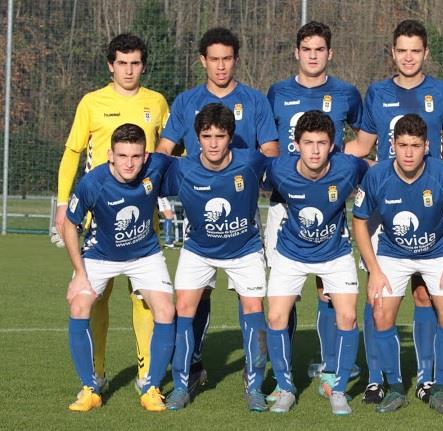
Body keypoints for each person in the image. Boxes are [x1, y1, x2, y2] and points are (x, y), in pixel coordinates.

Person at [345, 19, 443, 405]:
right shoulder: (377, 92)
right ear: (393, 53)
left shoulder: (442, 91)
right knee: (377, 296)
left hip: (429, 203)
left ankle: (431, 379)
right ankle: (379, 378)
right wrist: (320, 160)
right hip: (385, 204)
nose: (409, 57)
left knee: (428, 298)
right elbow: (363, 145)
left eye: (416, 50)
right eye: (402, 50)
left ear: (425, 53)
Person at [157, 27, 279, 394]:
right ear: (203, 61)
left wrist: (246, 177)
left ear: (236, 60)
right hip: (199, 215)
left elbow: (270, 154)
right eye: (214, 59)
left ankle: (252, 373)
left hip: (242, 214)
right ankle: (192, 368)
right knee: (197, 294)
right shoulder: (186, 101)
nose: (221, 66)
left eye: (227, 59)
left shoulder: (255, 101)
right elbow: (164, 151)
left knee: (250, 295)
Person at [54, 33, 169, 393]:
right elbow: (73, 152)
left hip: (142, 214)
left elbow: (165, 155)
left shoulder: (157, 102)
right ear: (110, 65)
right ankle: (97, 375)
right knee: (95, 295)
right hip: (95, 216)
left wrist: (164, 198)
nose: (129, 70)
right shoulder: (92, 102)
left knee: (145, 297)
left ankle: (146, 375)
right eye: (122, 63)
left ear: (144, 65)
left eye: (135, 63)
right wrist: (62, 204)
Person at [266, 20, 363, 390]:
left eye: (319, 50)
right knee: (282, 293)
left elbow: (363, 139)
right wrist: (283, 172)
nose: (312, 56)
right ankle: (283, 372)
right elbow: (267, 141)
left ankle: (331, 364)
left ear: (329, 54)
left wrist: (341, 168)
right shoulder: (276, 91)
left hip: (330, 204)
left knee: (330, 288)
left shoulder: (346, 93)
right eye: (306, 49)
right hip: (284, 201)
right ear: (296, 53)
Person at [353, 114, 443, 414]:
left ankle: (439, 388)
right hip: (392, 252)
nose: (408, 152)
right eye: (402, 145)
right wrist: (375, 270)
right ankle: (394, 388)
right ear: (392, 145)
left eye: (415, 145)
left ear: (427, 146)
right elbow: (359, 221)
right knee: (379, 310)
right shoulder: (377, 175)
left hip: (438, 250)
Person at [160, 103, 269, 411]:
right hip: (199, 249)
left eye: (220, 136)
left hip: (245, 248)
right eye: (206, 136)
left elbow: (285, 173)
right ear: (197, 138)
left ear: (230, 137)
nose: (213, 143)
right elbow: (147, 175)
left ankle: (255, 385)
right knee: (184, 306)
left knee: (253, 307)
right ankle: (182, 384)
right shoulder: (183, 168)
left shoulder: (251, 161)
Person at [63, 124, 175, 412]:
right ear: (110, 154)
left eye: (136, 156)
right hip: (100, 255)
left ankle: (150, 388)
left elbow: (196, 166)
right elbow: (69, 224)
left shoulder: (157, 166)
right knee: (79, 305)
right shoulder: (93, 182)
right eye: (122, 155)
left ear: (146, 155)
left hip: (145, 254)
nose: (129, 163)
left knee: (165, 310)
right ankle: (90, 389)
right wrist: (79, 274)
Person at [264, 110, 368, 415]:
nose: (315, 150)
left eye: (321, 142)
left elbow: (379, 175)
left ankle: (338, 390)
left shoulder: (348, 167)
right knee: (276, 318)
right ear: (296, 144)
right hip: (291, 253)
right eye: (308, 142)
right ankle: (285, 388)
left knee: (347, 318)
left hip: (335, 253)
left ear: (333, 144)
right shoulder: (280, 170)